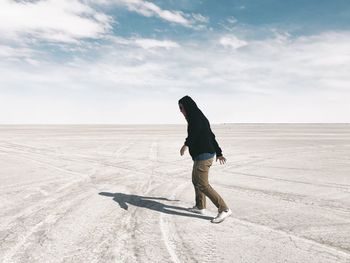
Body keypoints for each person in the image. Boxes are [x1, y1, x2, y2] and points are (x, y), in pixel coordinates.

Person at [178, 95, 232, 223]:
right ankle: (200, 206)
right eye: (179, 108)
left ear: (187, 106)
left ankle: (224, 209)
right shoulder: (198, 116)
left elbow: (194, 134)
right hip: (201, 154)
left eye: (181, 107)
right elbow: (211, 135)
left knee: (202, 183)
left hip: (204, 155)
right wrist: (218, 153)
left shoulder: (195, 118)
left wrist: (186, 144)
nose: (181, 111)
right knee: (196, 180)